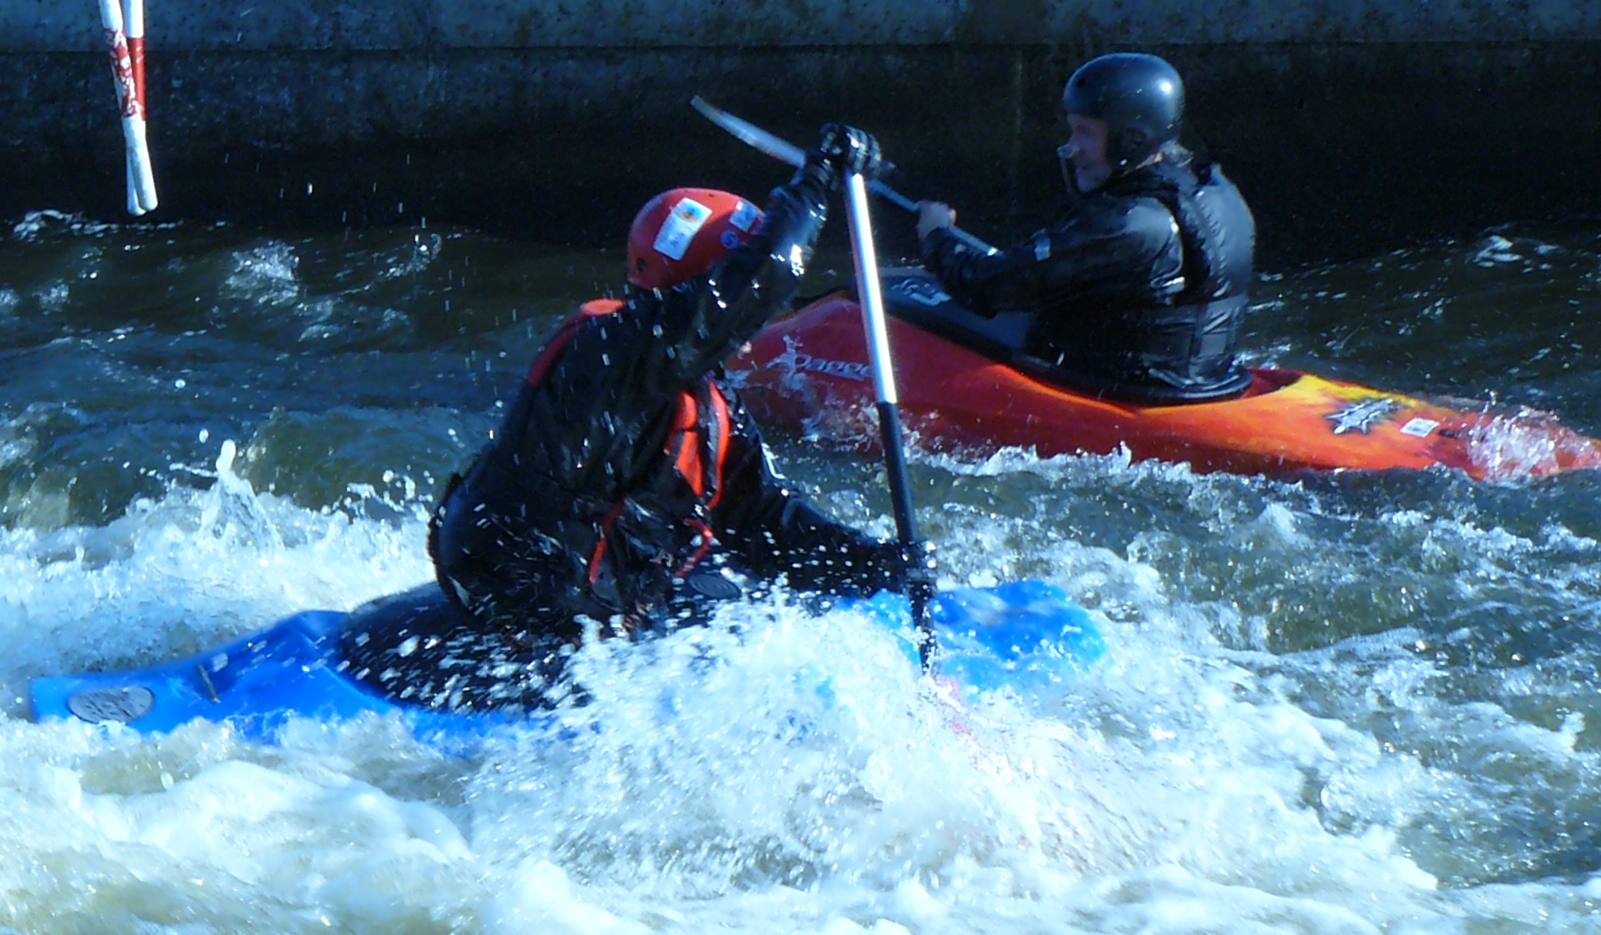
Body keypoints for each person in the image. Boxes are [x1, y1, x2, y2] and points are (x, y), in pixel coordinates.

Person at [428, 123, 918, 639]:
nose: (763, 321)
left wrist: (878, 563)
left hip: (591, 584)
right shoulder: (612, 353)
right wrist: (815, 180)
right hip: (509, 588)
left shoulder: (703, 390)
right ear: (699, 290)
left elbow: (762, 522)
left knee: (739, 594)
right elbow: (761, 279)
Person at [912, 53, 1254, 400]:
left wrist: (937, 236)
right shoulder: (1217, 191)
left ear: (1132, 140)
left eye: (1084, 133)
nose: (1071, 149)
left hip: (1128, 393)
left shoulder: (1126, 224)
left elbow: (986, 286)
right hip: (1210, 381)